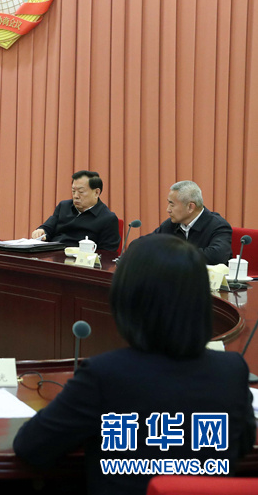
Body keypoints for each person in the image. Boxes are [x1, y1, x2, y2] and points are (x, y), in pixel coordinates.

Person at [13, 235, 256, 495]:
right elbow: (242, 445)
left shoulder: (104, 374)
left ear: (127, 300)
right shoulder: (231, 370)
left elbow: (31, 447)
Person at [32, 170, 120, 251]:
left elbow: (107, 253)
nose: (76, 196)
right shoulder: (63, 206)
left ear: (96, 192)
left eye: (81, 192)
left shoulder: (108, 218)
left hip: (81, 259)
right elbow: (48, 228)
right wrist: (41, 231)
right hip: (53, 254)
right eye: (73, 191)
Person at [151, 180, 232, 265]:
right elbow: (149, 245)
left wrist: (174, 254)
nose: (168, 210)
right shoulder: (171, 224)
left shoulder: (218, 225)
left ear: (190, 207)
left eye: (172, 205)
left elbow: (217, 256)